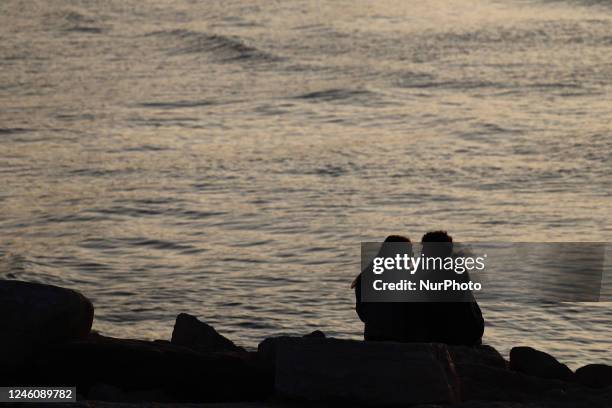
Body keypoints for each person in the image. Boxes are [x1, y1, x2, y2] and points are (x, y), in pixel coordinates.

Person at [353, 235, 428, 342]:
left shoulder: (366, 276)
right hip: (399, 338)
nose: (411, 256)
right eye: (408, 253)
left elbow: (362, 313)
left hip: (372, 336)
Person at [420, 231, 484, 345]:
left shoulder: (450, 271)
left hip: (458, 332)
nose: (422, 253)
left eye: (425, 249)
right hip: (469, 328)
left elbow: (438, 307)